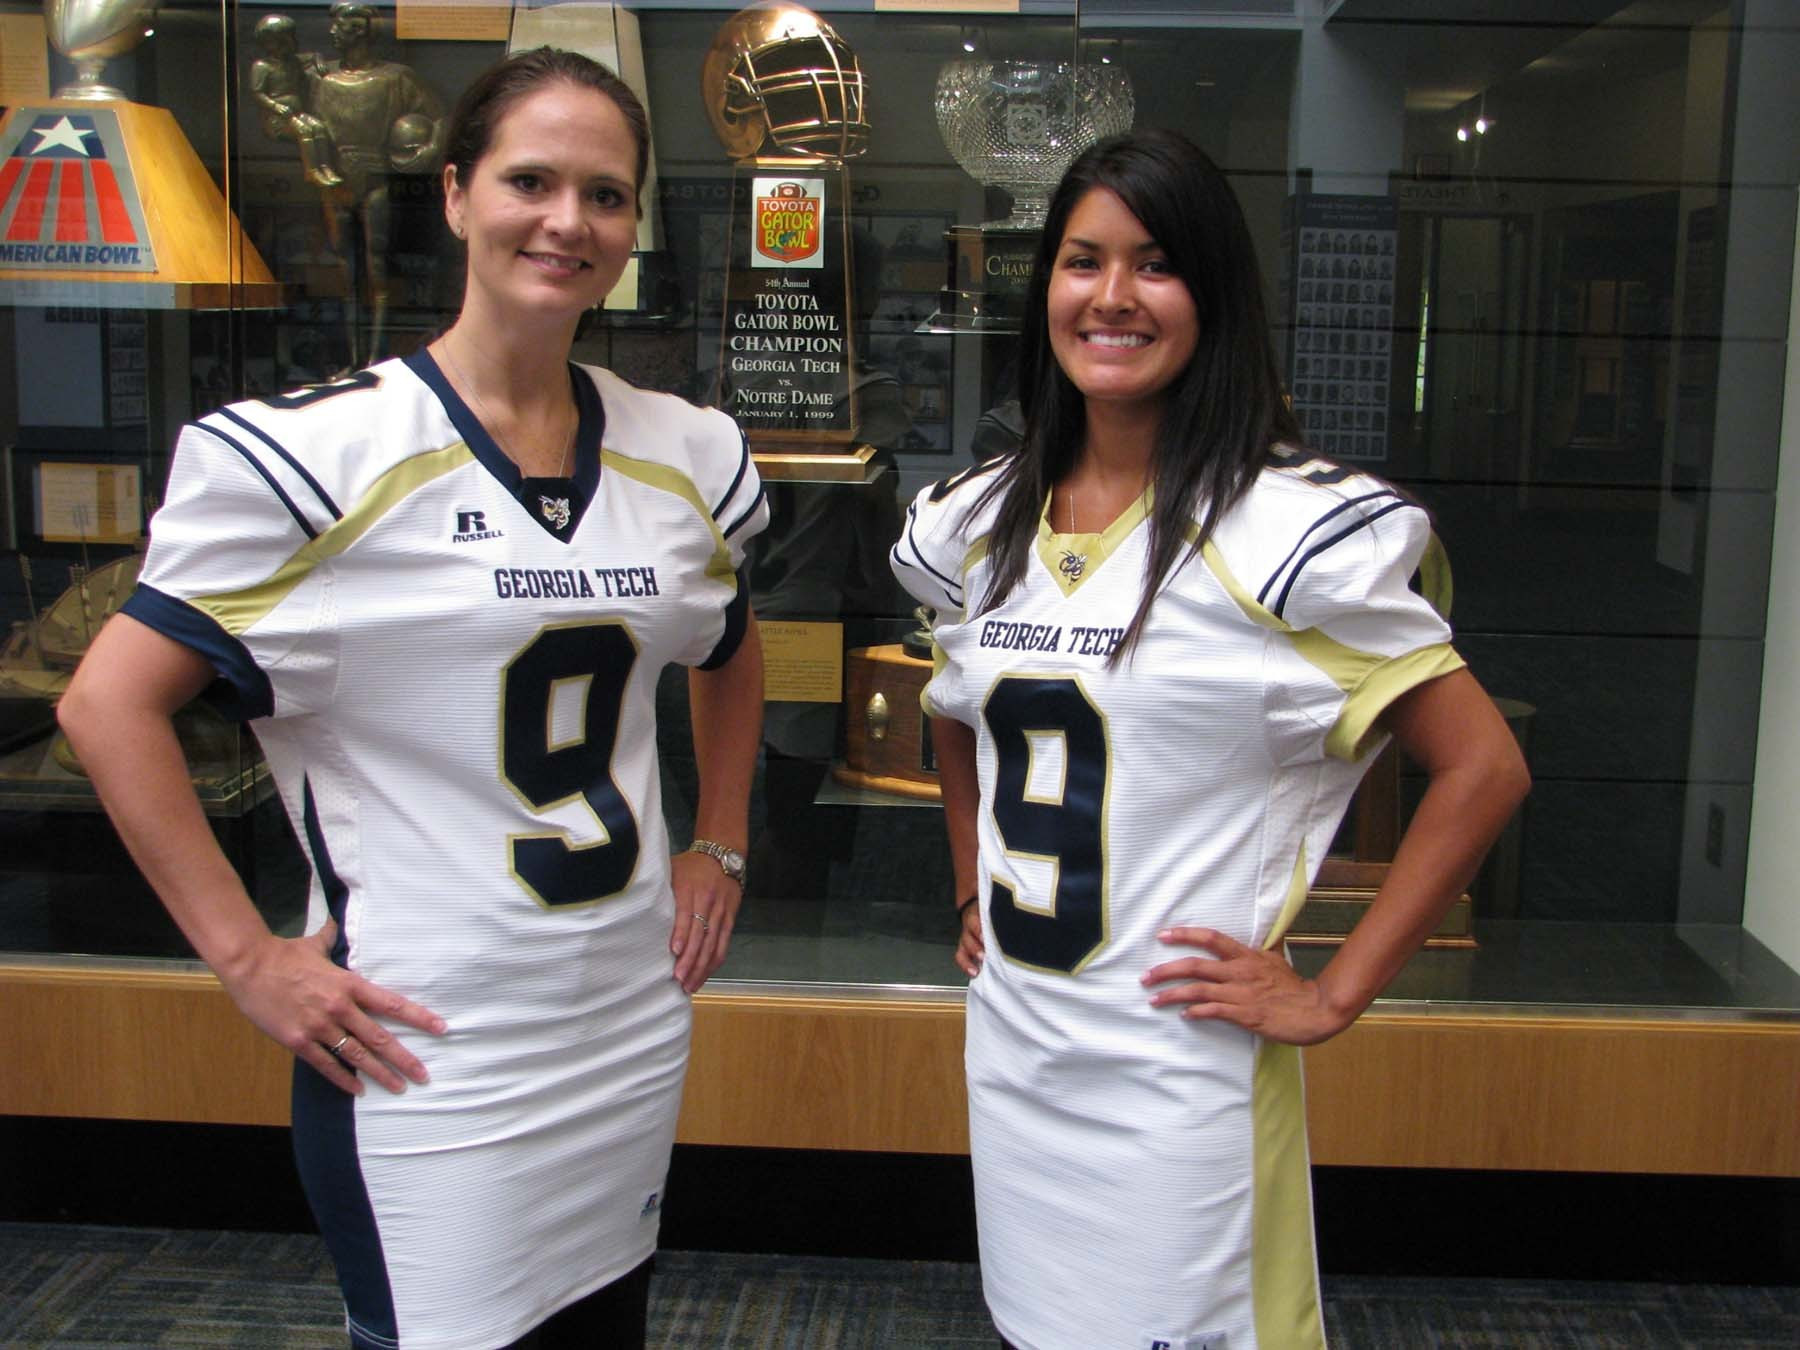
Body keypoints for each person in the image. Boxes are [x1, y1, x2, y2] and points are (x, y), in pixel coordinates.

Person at [58, 47, 767, 1349]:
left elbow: (727, 641)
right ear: (455, 193)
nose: (567, 221)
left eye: (605, 194)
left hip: (621, 1013)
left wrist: (717, 840)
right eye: (530, 180)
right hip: (428, 1044)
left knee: (605, 1324)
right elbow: (107, 706)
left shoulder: (686, 449)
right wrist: (244, 956)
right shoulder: (314, 457)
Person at [890, 129, 1528, 1350]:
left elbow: (1483, 766)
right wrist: (971, 882)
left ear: (1216, 296)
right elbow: (957, 711)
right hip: (1020, 1050)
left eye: (1157, 264)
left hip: (1178, 1081)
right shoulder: (980, 521)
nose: (1113, 297)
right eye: (1083, 262)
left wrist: (1334, 993)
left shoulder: (1281, 534)